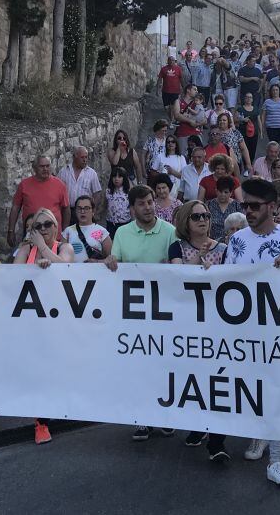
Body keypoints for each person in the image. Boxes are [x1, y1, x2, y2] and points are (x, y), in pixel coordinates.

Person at [226, 179, 280, 487]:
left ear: (272, 207)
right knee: (253, 385)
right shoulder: (237, 241)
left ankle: (276, 460)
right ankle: (258, 435)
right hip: (246, 331)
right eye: (244, 206)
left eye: (254, 206)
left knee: (279, 389)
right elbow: (226, 283)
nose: (247, 211)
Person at [104, 185, 179, 442]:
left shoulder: (170, 232)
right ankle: (142, 418)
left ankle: (166, 416)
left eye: (150, 202)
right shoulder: (122, 233)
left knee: (164, 366)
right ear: (132, 208)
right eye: (142, 204)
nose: (148, 207)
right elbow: (115, 265)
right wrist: (111, 262)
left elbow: (178, 269)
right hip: (134, 313)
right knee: (139, 366)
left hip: (164, 312)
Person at [169, 200, 229, 460]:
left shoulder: (225, 249)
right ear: (186, 222)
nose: (203, 220)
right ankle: (197, 425)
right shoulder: (177, 247)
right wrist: (200, 262)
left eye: (205, 215)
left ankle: (217, 440)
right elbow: (177, 277)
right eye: (196, 217)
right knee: (192, 377)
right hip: (188, 323)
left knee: (217, 378)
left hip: (217, 323)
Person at [14, 208, 73, 445]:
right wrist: (32, 249)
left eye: (47, 224)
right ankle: (42, 422)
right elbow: (11, 275)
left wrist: (45, 249)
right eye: (38, 226)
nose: (43, 230)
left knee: (55, 369)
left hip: (59, 320)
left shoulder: (63, 247)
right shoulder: (26, 249)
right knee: (38, 370)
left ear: (56, 226)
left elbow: (66, 267)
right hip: (31, 320)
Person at [7, 156, 70, 246]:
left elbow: (66, 209)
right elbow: (15, 207)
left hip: (54, 236)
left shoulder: (60, 185)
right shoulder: (24, 185)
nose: (45, 169)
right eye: (42, 166)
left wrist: (65, 231)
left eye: (47, 166)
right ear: (34, 168)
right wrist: (11, 231)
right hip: (31, 235)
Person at [57, 146, 103, 225]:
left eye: (86, 157)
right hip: (68, 211)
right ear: (74, 157)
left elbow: (97, 193)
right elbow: (57, 191)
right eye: (82, 157)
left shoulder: (91, 173)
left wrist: (92, 210)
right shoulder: (63, 172)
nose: (85, 160)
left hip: (85, 211)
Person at [62, 195, 111, 262]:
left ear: (93, 211)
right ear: (75, 211)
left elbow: (110, 259)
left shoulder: (102, 232)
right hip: (72, 271)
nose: (82, 211)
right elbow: (61, 257)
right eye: (79, 208)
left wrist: (97, 261)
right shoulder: (67, 232)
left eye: (86, 208)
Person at [211, 111, 251, 176]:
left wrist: (248, 164)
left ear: (228, 122)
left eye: (224, 120)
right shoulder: (214, 134)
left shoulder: (236, 133)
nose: (222, 122)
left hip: (235, 164)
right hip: (219, 165)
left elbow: (243, 149)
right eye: (220, 120)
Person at [205, 176, 242, 241]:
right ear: (216, 190)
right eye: (220, 191)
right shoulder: (208, 205)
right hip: (212, 243)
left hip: (233, 241)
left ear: (231, 193)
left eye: (226, 192)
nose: (222, 194)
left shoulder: (237, 206)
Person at [172, 85, 203, 155]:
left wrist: (198, 124)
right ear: (188, 90)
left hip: (196, 134)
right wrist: (190, 121)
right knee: (183, 156)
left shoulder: (197, 103)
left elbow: (204, 119)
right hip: (183, 133)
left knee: (198, 155)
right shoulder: (179, 101)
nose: (197, 91)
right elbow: (177, 115)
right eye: (195, 89)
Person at [104, 167, 133, 237]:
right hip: (111, 223)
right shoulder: (108, 191)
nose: (116, 179)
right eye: (114, 176)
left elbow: (132, 207)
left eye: (119, 177)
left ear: (124, 178)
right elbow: (105, 205)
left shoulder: (128, 192)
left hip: (124, 223)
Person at [235, 92, 261, 162]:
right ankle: (246, 165)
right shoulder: (240, 109)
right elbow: (234, 120)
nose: (249, 99)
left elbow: (259, 121)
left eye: (250, 97)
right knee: (244, 149)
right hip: (243, 133)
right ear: (244, 99)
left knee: (252, 151)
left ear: (252, 99)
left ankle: (250, 164)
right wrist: (242, 119)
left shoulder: (256, 109)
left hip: (254, 133)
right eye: (247, 97)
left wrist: (261, 131)